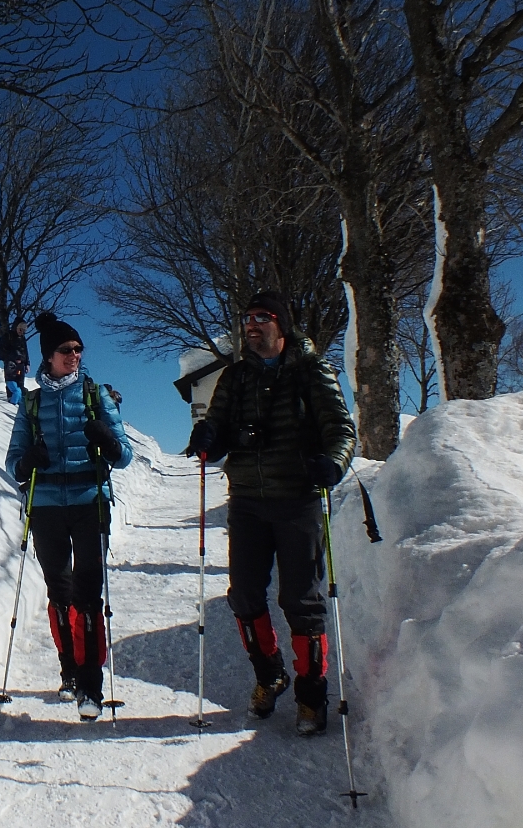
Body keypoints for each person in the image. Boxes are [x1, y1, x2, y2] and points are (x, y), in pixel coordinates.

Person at [187, 292, 356, 735]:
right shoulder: (236, 377)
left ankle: (311, 696)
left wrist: (333, 463)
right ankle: (270, 675)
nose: (251, 325)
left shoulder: (311, 372)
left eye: (261, 318)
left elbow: (341, 428)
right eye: (247, 318)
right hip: (246, 502)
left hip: (297, 500)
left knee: (302, 601)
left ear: (281, 324)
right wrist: (207, 435)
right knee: (243, 596)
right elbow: (218, 431)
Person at [5, 312, 132, 721]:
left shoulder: (96, 395)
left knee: (87, 595)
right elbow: (12, 463)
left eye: (79, 349)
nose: (74, 355)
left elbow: (125, 454)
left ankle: (91, 686)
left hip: (89, 502)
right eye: (66, 350)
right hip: (44, 507)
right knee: (59, 592)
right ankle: (70, 672)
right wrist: (28, 462)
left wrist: (108, 440)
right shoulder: (33, 402)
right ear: (49, 355)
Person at [0, 320, 30, 405]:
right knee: (12, 382)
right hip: (11, 364)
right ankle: (11, 401)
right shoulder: (8, 336)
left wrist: (27, 363)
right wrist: (8, 358)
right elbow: (0, 347)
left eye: (24, 330)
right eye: (20, 329)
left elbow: (25, 351)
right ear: (16, 327)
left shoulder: (22, 339)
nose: (22, 332)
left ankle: (20, 403)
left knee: (20, 384)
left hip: (21, 365)